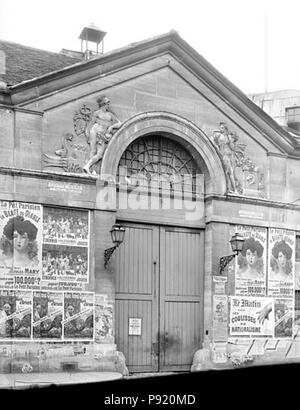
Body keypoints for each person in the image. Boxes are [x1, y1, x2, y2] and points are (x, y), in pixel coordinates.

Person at [83, 96, 122, 175]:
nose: (108, 105)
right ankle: (91, 169)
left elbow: (119, 123)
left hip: (102, 135)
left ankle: (88, 166)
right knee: (93, 151)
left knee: (100, 154)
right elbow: (91, 124)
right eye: (107, 104)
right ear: (103, 104)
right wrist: (87, 134)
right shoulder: (97, 113)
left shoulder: (110, 115)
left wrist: (111, 127)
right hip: (94, 131)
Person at [213, 122, 240, 193]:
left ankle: (231, 189)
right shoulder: (219, 135)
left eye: (222, 128)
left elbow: (233, 148)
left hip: (229, 156)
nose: (220, 129)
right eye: (220, 127)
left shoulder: (227, 137)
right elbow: (215, 142)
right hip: (224, 156)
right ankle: (231, 189)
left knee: (230, 173)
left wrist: (230, 141)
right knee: (229, 173)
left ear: (225, 128)